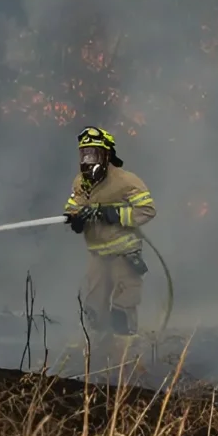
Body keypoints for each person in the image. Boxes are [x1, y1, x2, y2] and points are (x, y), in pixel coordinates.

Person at [63, 126, 156, 362]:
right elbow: (72, 209)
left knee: (122, 310)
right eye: (84, 155)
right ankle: (96, 356)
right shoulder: (81, 182)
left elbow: (147, 210)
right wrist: (75, 219)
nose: (87, 161)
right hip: (97, 255)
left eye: (93, 155)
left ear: (106, 155)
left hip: (124, 254)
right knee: (94, 308)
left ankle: (126, 361)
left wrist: (116, 214)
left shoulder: (126, 181)